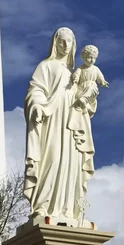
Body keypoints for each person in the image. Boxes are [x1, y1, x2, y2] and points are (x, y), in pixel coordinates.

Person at [24, 27, 95, 221]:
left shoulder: (76, 73)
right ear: (55, 43)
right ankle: (43, 206)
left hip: (72, 122)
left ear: (74, 45)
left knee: (72, 165)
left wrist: (88, 94)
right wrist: (37, 105)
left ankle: (70, 209)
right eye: (61, 41)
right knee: (52, 159)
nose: (65, 45)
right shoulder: (46, 66)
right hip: (53, 121)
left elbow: (82, 99)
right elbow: (36, 89)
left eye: (69, 42)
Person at [71, 45, 109, 116]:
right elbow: (76, 74)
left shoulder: (95, 69)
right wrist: (75, 78)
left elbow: (100, 77)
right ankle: (83, 104)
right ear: (83, 57)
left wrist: (102, 82)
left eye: (94, 58)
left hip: (92, 90)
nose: (92, 60)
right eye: (89, 57)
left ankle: (84, 100)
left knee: (92, 88)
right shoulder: (80, 68)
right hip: (82, 89)